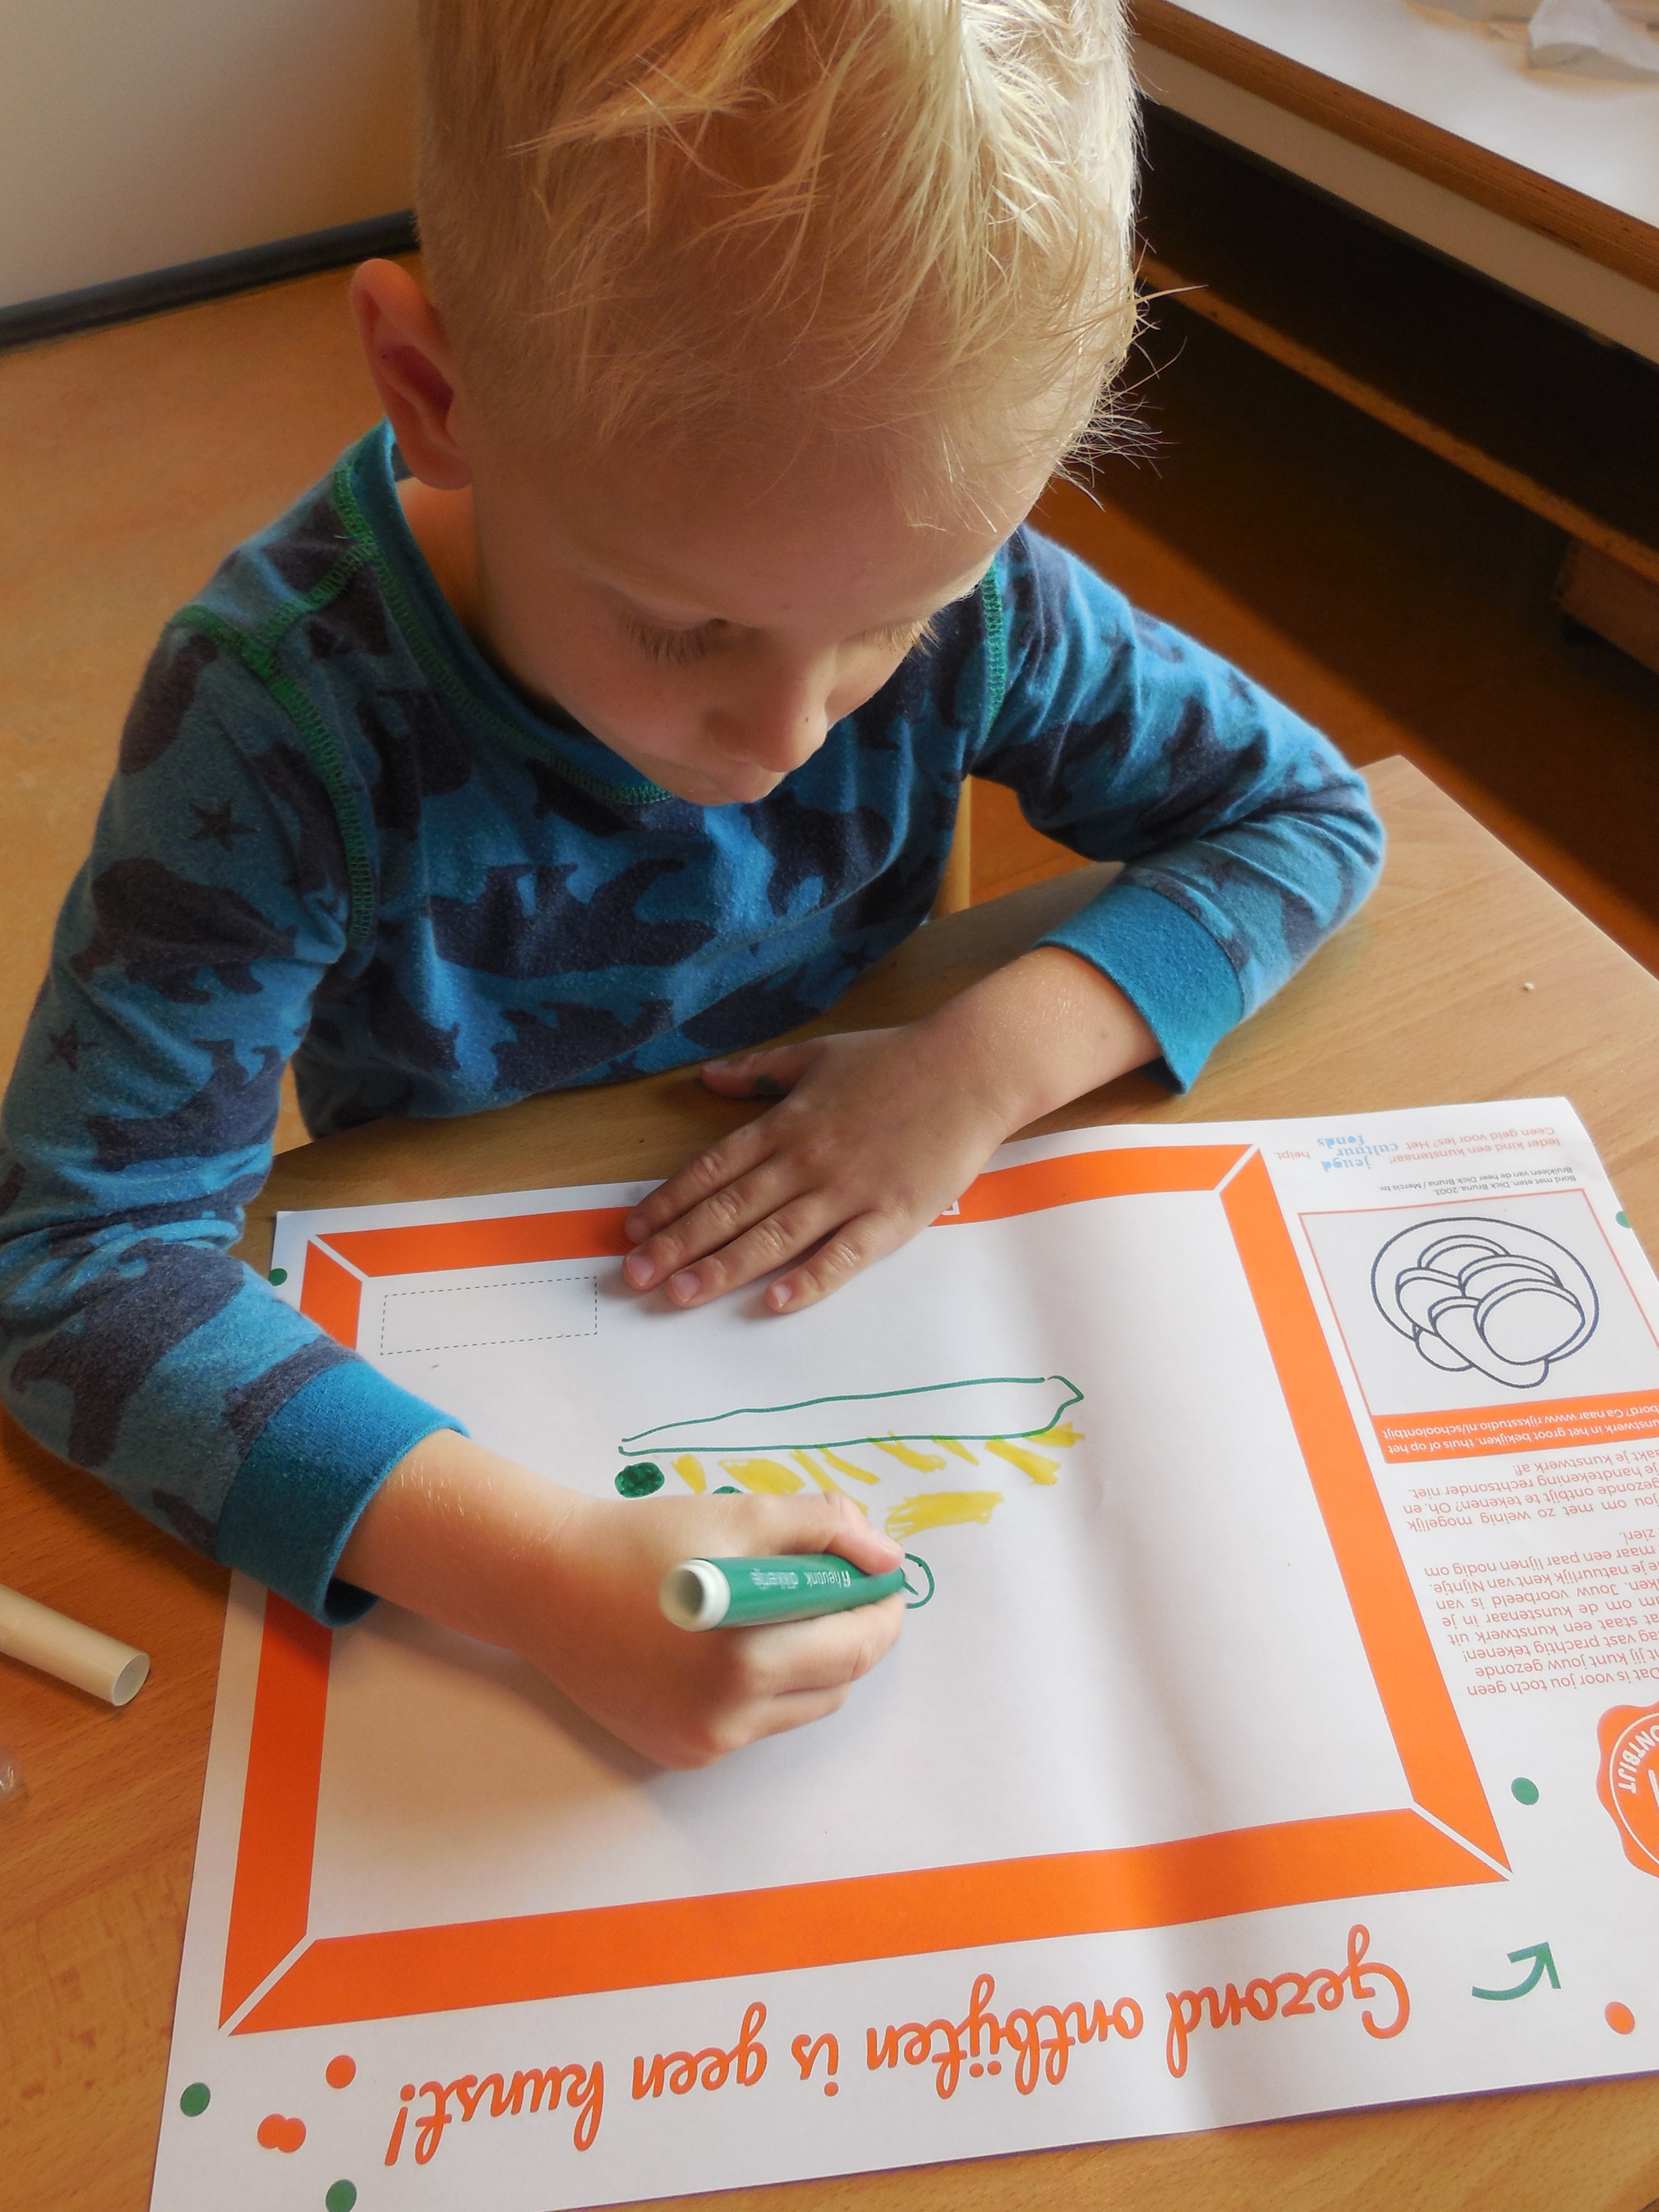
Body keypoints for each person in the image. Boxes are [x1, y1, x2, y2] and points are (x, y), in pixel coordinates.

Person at [0, 0, 1382, 1766]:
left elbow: (1306, 816)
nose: (788, 734)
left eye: (893, 623)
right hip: (486, 1336)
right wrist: (544, 1580)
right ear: (435, 392)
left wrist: (981, 1066)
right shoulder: (278, 718)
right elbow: (80, 1260)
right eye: (685, 627)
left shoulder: (982, 597)